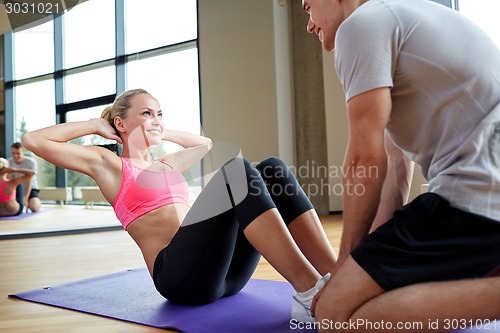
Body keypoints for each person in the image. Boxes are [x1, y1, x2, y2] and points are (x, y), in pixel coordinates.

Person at [22, 88, 337, 322]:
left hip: (224, 275)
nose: (155, 120)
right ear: (120, 122)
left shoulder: (166, 164)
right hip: (180, 279)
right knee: (236, 170)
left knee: (271, 167)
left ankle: (336, 280)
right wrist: (94, 124)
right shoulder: (111, 165)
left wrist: (158, 129)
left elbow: (204, 144)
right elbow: (33, 141)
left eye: (159, 113)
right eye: (146, 113)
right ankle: (310, 292)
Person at [301, 0, 500, 332]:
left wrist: (342, 267)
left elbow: (364, 160)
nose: (309, 24)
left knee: (334, 317)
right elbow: (396, 165)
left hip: (474, 197)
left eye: (307, 7)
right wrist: (362, 263)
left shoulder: (361, 25)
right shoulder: (405, 17)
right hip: (485, 201)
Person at [9, 142, 42, 213]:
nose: (15, 156)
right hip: (16, 188)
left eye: (18, 153)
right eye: (13, 153)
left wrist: (26, 198)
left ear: (23, 152)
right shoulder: (8, 162)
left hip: (31, 187)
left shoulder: (31, 162)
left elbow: (29, 181)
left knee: (34, 207)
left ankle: (32, 201)